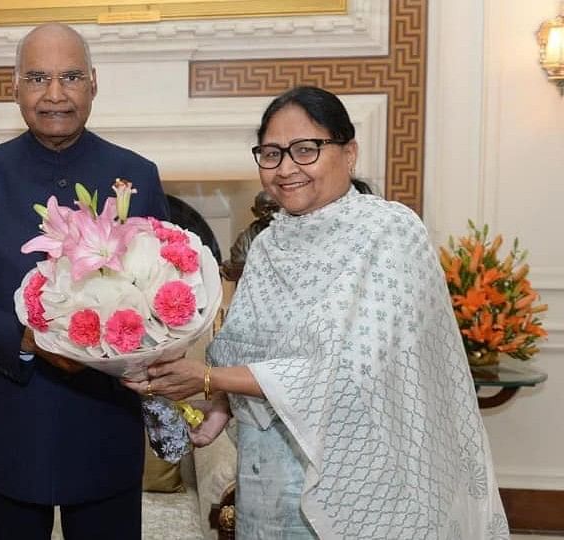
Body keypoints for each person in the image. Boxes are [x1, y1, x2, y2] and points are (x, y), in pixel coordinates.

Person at [128, 86, 508, 538]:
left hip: (361, 475)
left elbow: (353, 369)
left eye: (305, 150)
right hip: (265, 476)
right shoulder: (269, 243)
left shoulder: (389, 232)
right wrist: (220, 406)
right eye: (271, 153)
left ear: (349, 152)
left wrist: (210, 379)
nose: (286, 168)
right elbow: (246, 348)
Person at [0, 23, 169, 540]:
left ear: (94, 83)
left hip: (108, 423)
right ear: (14, 86)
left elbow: (165, 296)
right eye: (37, 77)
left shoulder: (138, 175)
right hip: (16, 423)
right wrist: (28, 339)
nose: (55, 94)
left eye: (71, 77)